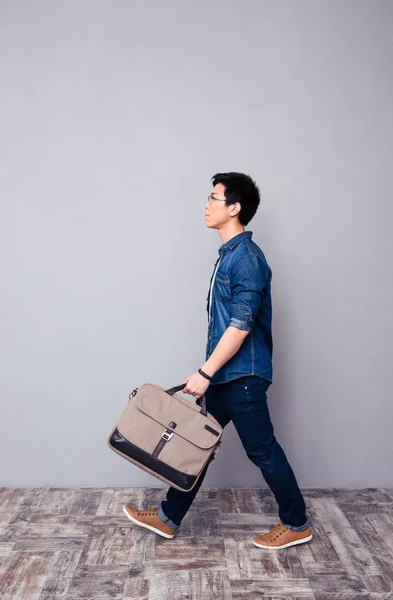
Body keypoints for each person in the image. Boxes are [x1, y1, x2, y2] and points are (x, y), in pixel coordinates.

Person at [123, 172, 312, 550]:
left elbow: (241, 326)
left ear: (234, 208)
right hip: (225, 375)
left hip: (243, 376)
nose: (206, 205)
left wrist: (205, 371)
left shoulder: (247, 260)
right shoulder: (229, 255)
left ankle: (296, 522)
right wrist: (211, 371)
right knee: (197, 444)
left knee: (262, 450)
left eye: (214, 198)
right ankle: (168, 517)